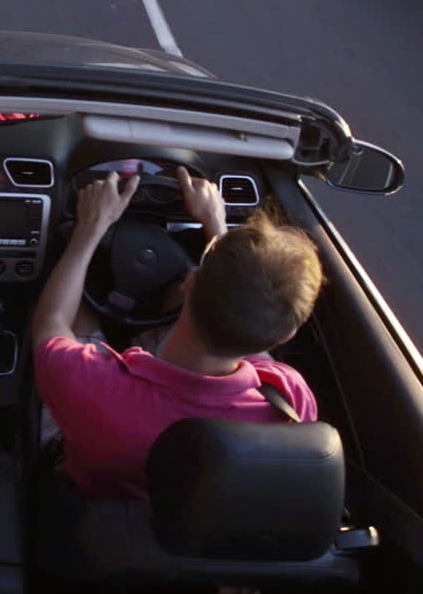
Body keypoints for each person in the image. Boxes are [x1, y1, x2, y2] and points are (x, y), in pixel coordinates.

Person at [30, 168, 323, 499]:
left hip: (95, 497)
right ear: (286, 335)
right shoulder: (288, 397)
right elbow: (250, 313)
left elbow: (51, 322)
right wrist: (216, 227)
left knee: (78, 316)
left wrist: (89, 230)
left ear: (190, 282)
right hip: (183, 524)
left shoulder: (86, 380)